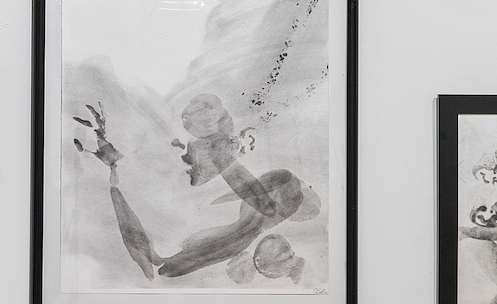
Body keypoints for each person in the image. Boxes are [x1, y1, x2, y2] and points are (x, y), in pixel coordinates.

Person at [73, 94, 319, 280]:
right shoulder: (252, 223)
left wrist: (224, 160)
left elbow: (247, 188)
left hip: (193, 230)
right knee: (159, 255)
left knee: (159, 252)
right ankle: (108, 155)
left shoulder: (271, 200)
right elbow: (244, 191)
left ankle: (107, 154)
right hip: (194, 234)